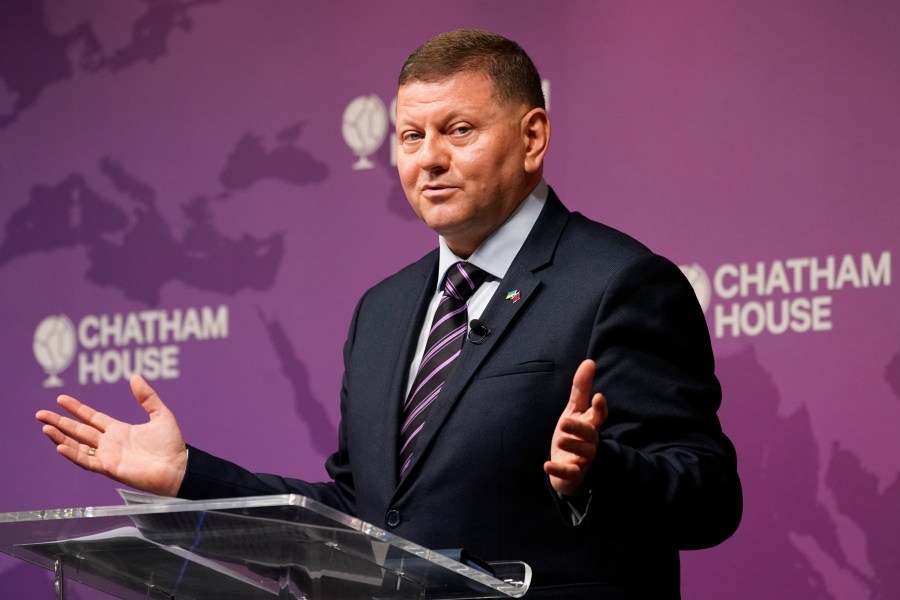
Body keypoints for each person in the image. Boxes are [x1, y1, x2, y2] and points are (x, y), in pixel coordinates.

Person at [37, 29, 741, 598]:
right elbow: (361, 513)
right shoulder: (385, 309)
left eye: (458, 130)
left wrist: (599, 474)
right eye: (409, 137)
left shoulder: (619, 282)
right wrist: (189, 476)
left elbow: (710, 496)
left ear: (532, 138)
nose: (428, 159)